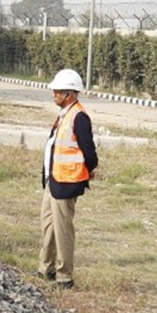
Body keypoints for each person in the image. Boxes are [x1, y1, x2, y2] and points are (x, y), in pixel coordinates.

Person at [39, 68, 98, 288]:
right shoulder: (64, 114)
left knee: (62, 230)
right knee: (48, 226)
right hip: (53, 180)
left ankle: (65, 277)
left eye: (57, 92)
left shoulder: (79, 117)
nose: (54, 95)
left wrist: (88, 170)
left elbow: (89, 152)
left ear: (69, 94)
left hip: (66, 182)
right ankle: (46, 268)